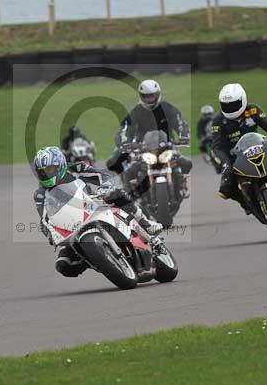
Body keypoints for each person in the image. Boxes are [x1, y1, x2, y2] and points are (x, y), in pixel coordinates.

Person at [33, 146, 166, 278]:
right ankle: (94, 257)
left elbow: (101, 175)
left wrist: (104, 186)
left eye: (50, 169)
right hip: (72, 226)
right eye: (42, 172)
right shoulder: (40, 194)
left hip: (94, 204)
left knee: (117, 193)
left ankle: (144, 223)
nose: (47, 174)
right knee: (63, 265)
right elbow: (45, 219)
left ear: (60, 165)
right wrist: (50, 234)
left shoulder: (76, 169)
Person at [212, 83, 267, 213]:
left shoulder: (252, 110)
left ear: (243, 100)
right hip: (235, 156)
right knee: (226, 188)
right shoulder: (218, 120)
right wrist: (225, 163)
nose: (230, 109)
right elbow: (216, 147)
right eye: (226, 106)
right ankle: (246, 202)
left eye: (234, 105)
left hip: (258, 146)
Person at [106, 79, 193, 195]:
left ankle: (182, 185)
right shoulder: (136, 111)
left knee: (186, 163)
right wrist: (125, 142)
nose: (149, 99)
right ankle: (130, 196)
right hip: (143, 149)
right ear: (141, 97)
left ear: (157, 95)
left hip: (168, 147)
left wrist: (184, 136)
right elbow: (125, 129)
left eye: (151, 96)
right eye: (146, 97)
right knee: (128, 172)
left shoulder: (167, 108)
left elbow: (180, 123)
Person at [197, 104, 223, 173]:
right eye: (206, 114)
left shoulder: (217, 119)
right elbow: (199, 132)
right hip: (208, 138)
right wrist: (202, 138)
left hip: (218, 137)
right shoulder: (201, 122)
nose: (208, 116)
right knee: (201, 145)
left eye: (209, 114)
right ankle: (206, 157)